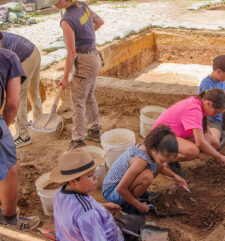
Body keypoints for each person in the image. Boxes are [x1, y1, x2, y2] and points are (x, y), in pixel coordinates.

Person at [50, 148, 149, 241]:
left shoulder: (60, 193)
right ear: (73, 182)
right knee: (140, 221)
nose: (95, 177)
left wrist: (103, 206)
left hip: (78, 239)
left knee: (132, 220)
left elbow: (78, 211)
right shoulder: (88, 214)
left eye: (94, 172)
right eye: (90, 176)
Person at [53, 0, 104, 149]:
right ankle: (94, 130)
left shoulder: (66, 20)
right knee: (88, 97)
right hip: (94, 56)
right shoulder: (82, 6)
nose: (53, 3)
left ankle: (77, 140)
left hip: (84, 62)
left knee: (77, 101)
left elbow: (71, 52)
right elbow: (99, 22)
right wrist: (86, 35)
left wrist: (65, 77)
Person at [102, 125, 187, 215]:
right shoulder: (141, 160)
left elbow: (161, 166)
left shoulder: (149, 148)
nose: (164, 163)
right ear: (154, 150)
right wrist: (138, 205)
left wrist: (175, 176)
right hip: (111, 193)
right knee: (147, 176)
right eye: (162, 159)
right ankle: (126, 205)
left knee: (159, 166)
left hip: (121, 188)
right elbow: (120, 189)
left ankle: (137, 193)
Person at [0, 48, 40, 230]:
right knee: (9, 168)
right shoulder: (8, 57)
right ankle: (10, 220)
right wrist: (5, 127)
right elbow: (13, 103)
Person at [152, 89, 225, 175]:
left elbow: (207, 134)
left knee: (214, 142)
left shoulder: (200, 102)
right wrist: (220, 157)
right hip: (160, 138)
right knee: (193, 151)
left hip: (174, 134)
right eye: (216, 112)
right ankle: (165, 158)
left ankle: (173, 154)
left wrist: (216, 155)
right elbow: (200, 142)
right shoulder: (194, 110)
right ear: (208, 104)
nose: (216, 115)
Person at [0, 31, 43, 148]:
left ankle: (23, 135)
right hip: (33, 52)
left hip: (24, 57)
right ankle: (38, 120)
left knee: (18, 96)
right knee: (33, 90)